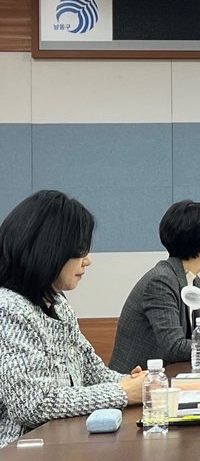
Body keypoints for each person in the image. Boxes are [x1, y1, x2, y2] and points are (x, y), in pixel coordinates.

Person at [0, 190, 146, 447]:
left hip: (63, 442)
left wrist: (133, 383)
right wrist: (122, 392)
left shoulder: (58, 304)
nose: (88, 260)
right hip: (20, 449)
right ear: (47, 249)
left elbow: (92, 372)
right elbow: (33, 404)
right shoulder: (8, 308)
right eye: (79, 250)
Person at [109, 201, 200, 373]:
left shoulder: (192, 279)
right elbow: (174, 347)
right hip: (139, 382)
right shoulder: (161, 281)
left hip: (171, 376)